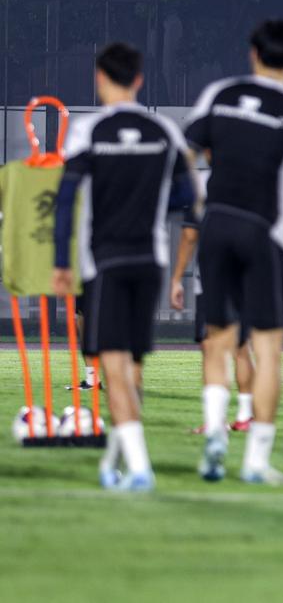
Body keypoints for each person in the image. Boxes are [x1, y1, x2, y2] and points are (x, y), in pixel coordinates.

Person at [52, 42, 197, 492]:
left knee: (112, 365)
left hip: (106, 260)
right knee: (132, 365)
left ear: (100, 80)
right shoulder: (164, 132)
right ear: (138, 80)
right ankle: (117, 459)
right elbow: (187, 197)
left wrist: (60, 263)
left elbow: (66, 198)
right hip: (150, 260)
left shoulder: (88, 132)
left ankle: (138, 467)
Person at [184, 19, 283, 485]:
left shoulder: (219, 94)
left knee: (218, 341)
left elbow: (187, 153)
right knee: (267, 347)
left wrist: (204, 201)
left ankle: (215, 442)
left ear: (253, 53)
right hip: (264, 232)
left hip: (218, 224)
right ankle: (257, 461)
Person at [169, 169, 256, 434]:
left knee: (212, 347)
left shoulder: (199, 184)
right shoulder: (248, 181)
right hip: (244, 276)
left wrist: (176, 279)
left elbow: (189, 234)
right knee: (242, 346)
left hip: (212, 277)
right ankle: (245, 415)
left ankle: (215, 420)